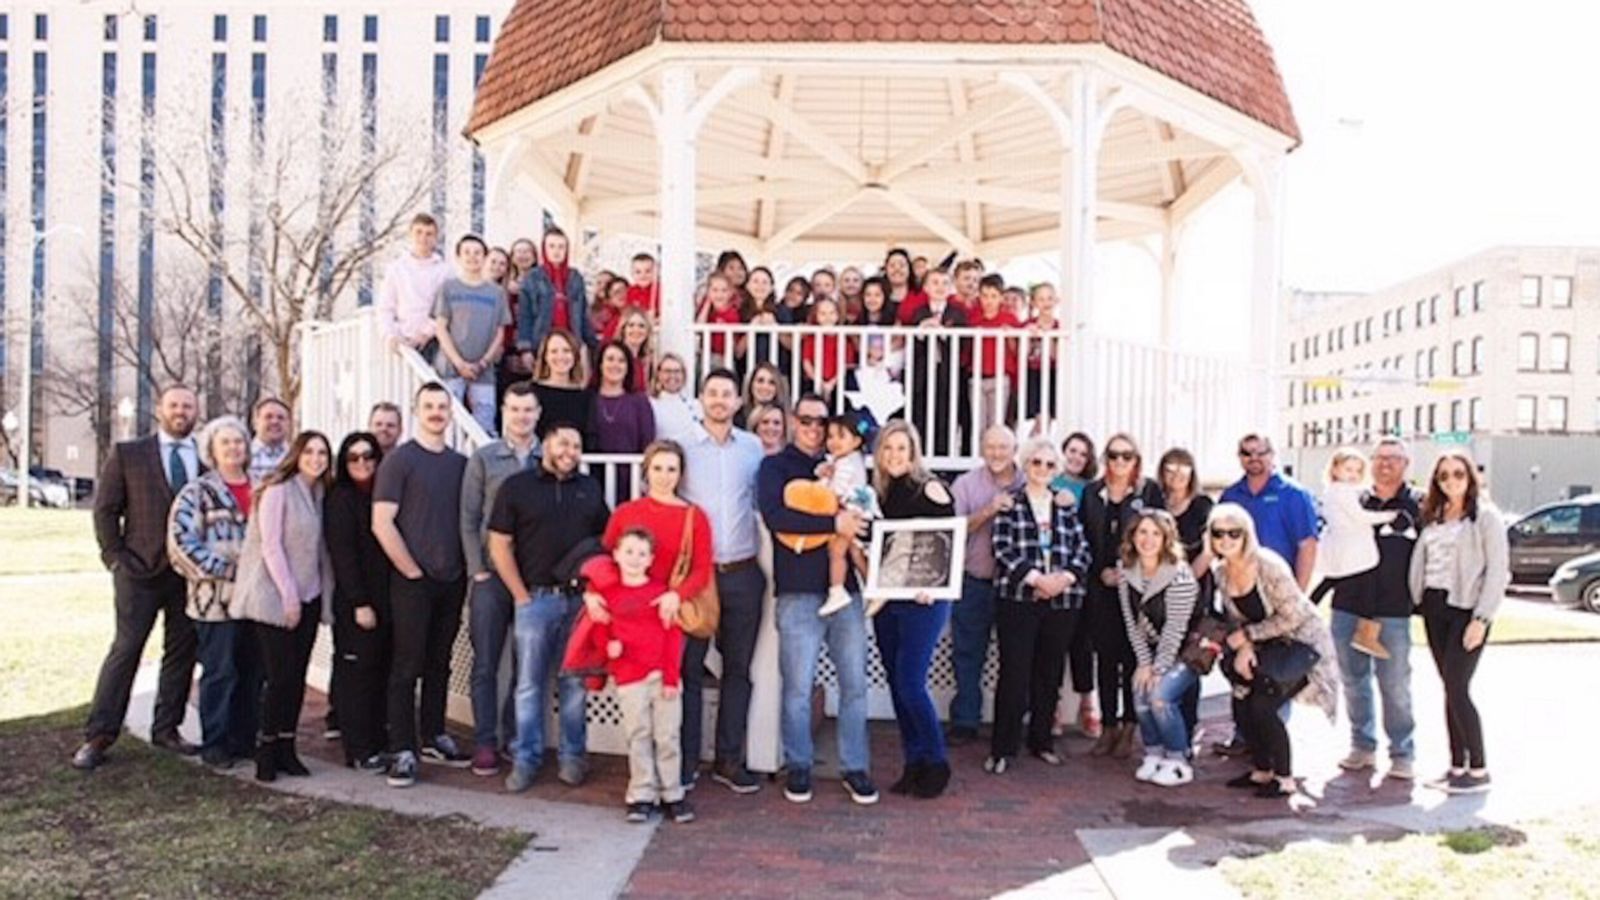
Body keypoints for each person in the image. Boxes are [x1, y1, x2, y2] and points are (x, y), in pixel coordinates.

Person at [758, 394, 879, 806]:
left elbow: (865, 517)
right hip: (797, 589)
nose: (814, 428)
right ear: (793, 421)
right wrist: (833, 522)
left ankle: (855, 766)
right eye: (806, 420)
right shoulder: (775, 467)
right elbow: (777, 518)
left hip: (845, 592)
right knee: (797, 686)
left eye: (822, 422)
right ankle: (799, 765)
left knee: (855, 684)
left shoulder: (849, 467)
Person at [75, 384, 202, 771]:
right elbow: (105, 509)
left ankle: (167, 728)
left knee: (181, 653)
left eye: (188, 406)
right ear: (160, 410)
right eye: (174, 405)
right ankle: (99, 733)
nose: (181, 411)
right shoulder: (129, 454)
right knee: (127, 649)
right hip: (138, 571)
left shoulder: (205, 456)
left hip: (188, 575)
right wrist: (114, 557)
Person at [490, 422, 611, 791]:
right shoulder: (517, 487)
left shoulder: (589, 489)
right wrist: (519, 594)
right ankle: (526, 758)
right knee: (529, 685)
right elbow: (499, 544)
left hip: (578, 602)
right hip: (535, 599)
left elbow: (604, 541)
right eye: (562, 443)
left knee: (573, 683)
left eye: (575, 445)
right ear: (546, 445)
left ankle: (573, 757)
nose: (569, 451)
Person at [592, 441, 714, 791]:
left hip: (672, 614)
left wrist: (677, 594)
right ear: (647, 470)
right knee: (638, 704)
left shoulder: (694, 516)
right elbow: (606, 559)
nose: (664, 476)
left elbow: (702, 568)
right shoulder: (627, 513)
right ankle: (642, 783)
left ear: (681, 474)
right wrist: (593, 592)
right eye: (658, 468)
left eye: (672, 469)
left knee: (678, 690)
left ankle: (680, 773)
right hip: (632, 618)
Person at [372, 382, 471, 788]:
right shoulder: (399, 462)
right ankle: (403, 749)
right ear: (417, 411)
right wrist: (410, 569)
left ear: (450, 413)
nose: (435, 412)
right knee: (406, 665)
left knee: (439, 662)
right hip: (413, 580)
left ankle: (433, 734)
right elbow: (382, 522)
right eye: (428, 406)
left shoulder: (460, 464)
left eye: (442, 406)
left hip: (452, 578)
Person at [1208, 502, 1339, 799]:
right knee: (1243, 704)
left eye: (1234, 532)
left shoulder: (1268, 564)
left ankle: (1284, 778)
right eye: (1218, 533)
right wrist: (1247, 646)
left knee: (1263, 707)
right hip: (1263, 646)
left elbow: (1292, 616)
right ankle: (1262, 769)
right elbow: (1237, 619)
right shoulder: (1221, 572)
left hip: (1300, 646)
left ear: (1247, 534)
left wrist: (1247, 637)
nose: (1226, 539)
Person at [680, 369, 769, 794]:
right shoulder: (682, 449)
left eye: (726, 394)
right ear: (701, 400)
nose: (719, 401)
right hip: (697, 576)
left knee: (738, 668)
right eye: (711, 393)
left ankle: (728, 759)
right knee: (689, 668)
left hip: (742, 571)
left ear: (738, 402)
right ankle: (687, 759)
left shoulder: (753, 449)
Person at [230, 431, 336, 782]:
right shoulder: (278, 490)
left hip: (308, 596)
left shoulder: (319, 493)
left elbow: (319, 551)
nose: (317, 458)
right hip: (274, 597)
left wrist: (320, 599)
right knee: (278, 677)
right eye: (310, 452)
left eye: (322, 453)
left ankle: (287, 748)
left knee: (296, 678)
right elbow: (271, 547)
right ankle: (266, 750)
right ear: (297, 454)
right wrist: (289, 596)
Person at [987, 437, 1092, 775]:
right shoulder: (1009, 503)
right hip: (1019, 598)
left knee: (1049, 674)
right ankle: (1003, 747)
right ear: (1026, 464)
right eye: (1037, 463)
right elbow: (1002, 548)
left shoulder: (1065, 505)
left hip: (1062, 601)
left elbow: (1082, 550)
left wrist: (1063, 579)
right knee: (1014, 673)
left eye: (1050, 465)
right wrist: (1037, 579)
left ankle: (1041, 741)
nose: (1043, 470)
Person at [1408, 449, 1507, 795]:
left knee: (1458, 686)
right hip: (1435, 607)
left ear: (1470, 477)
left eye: (1458, 474)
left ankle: (1479, 769)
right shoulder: (1433, 514)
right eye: (1444, 475)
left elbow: (1498, 571)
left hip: (1467, 610)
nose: (1451, 481)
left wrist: (1482, 618)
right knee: (1448, 687)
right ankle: (1456, 766)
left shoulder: (1485, 517)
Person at [577, 530, 693, 823]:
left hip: (661, 675)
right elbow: (602, 629)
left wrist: (670, 677)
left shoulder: (659, 593)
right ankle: (642, 792)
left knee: (667, 735)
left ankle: (672, 792)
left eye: (642, 554)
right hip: (630, 676)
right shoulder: (609, 595)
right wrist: (608, 646)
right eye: (629, 552)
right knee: (637, 734)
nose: (634, 559)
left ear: (651, 560)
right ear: (615, 554)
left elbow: (672, 637)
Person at [460, 383, 543, 777]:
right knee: (487, 660)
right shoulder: (484, 458)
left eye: (528, 410)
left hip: (533, 579)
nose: (521, 416)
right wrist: (477, 567)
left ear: (537, 414)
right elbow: (468, 517)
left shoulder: (550, 458)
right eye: (514, 409)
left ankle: (514, 735)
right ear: (503, 413)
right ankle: (484, 741)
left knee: (527, 663)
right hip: (492, 576)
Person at [873, 421, 960, 797]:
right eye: (888, 448)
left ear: (913, 453)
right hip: (889, 599)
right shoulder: (881, 491)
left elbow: (950, 540)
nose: (894, 455)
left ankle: (937, 761)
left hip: (924, 601)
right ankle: (914, 761)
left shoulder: (931, 488)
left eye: (901, 448)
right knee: (896, 683)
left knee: (911, 683)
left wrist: (933, 585)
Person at [166, 415, 258, 770]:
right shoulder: (197, 493)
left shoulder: (261, 489)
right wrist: (225, 569)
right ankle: (216, 742)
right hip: (215, 600)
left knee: (252, 670)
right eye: (226, 443)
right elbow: (181, 544)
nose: (234, 448)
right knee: (220, 672)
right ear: (212, 451)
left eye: (238, 442)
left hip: (254, 599)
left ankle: (243, 738)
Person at [1334, 437, 1422, 781]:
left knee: (1395, 684)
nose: (1386, 464)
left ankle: (1402, 752)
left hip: (1393, 610)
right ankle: (1362, 746)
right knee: (1354, 681)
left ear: (1406, 464)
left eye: (1394, 458)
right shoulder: (1354, 499)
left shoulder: (1418, 505)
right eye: (1380, 458)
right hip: (1348, 605)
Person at [1079, 433, 1165, 758]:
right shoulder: (1092, 493)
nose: (1119, 462)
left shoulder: (1149, 492)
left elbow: (1158, 537)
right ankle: (1108, 726)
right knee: (1105, 658)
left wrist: (1132, 573)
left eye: (1126, 456)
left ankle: (1131, 725)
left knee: (1133, 658)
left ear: (1136, 460)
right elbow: (1084, 539)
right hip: (1101, 589)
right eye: (1113, 455)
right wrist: (1099, 572)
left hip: (1138, 590)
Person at [946, 425, 1024, 743]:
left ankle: (1016, 723)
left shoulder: (1028, 479)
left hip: (1018, 585)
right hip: (974, 581)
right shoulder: (965, 484)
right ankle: (966, 721)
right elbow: (953, 529)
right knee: (967, 653)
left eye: (1003, 447)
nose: (996, 453)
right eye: (990, 446)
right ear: (981, 448)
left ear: (1014, 449)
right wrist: (988, 510)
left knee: (1017, 656)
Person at [324, 431, 393, 774]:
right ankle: (358, 749)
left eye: (369, 456)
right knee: (358, 676)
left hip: (387, 599)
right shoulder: (340, 498)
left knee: (381, 672)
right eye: (354, 458)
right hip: (357, 602)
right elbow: (343, 556)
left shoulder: (383, 495)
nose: (363, 463)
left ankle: (379, 741)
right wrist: (359, 601)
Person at [1117, 510, 1200, 787]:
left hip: (1185, 651)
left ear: (1166, 538)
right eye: (1142, 532)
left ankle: (1178, 759)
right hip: (1151, 649)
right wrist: (1143, 663)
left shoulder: (1180, 575)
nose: (1148, 539)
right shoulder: (1126, 571)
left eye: (1155, 533)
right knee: (1139, 692)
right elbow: (1131, 622)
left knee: (1160, 696)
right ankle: (1154, 753)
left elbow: (1175, 630)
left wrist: (1158, 668)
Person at [1156, 445, 1213, 739]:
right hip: (1156, 595)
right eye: (1170, 467)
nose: (1176, 474)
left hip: (1191, 594)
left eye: (1183, 466)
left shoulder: (1203, 505)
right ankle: (1165, 729)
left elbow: (1208, 551)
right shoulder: (1157, 503)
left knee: (1187, 662)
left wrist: (1183, 582)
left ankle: (1187, 730)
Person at [432, 234, 511, 436]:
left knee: (484, 425)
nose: (472, 257)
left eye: (477, 253)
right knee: (449, 424)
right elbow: (441, 328)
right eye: (467, 252)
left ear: (485, 257)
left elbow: (500, 332)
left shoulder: (496, 293)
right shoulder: (448, 288)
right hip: (450, 368)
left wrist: (484, 362)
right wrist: (459, 363)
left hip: (483, 371)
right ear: (458, 257)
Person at [1050, 430, 1100, 738]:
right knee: (1053, 644)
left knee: (1083, 643)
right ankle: (1052, 706)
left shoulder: (1093, 490)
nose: (1077, 458)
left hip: (1083, 573)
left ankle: (1088, 704)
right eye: (1072, 451)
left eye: (1083, 454)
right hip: (1051, 573)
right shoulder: (1049, 482)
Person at [1221, 434, 1319, 590]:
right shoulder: (1230, 496)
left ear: (1272, 454)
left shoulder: (1294, 494)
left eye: (1261, 453)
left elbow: (1307, 546)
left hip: (1281, 586)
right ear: (1239, 457)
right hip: (1238, 586)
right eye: (1247, 453)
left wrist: (1299, 594)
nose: (1254, 458)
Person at [815, 412, 879, 618]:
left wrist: (818, 487)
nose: (833, 442)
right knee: (855, 552)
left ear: (856, 441)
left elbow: (836, 490)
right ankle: (873, 586)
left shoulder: (847, 463)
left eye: (841, 436)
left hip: (853, 514)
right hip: (856, 511)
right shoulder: (846, 460)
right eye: (830, 436)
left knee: (837, 552)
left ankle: (837, 590)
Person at [903, 267, 968, 459]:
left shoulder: (957, 315)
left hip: (947, 375)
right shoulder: (918, 313)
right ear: (926, 287)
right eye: (935, 283)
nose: (940, 287)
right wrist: (922, 333)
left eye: (944, 283)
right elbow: (911, 345)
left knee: (946, 418)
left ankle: (943, 460)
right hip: (923, 375)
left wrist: (942, 333)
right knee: (920, 416)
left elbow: (964, 344)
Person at [591, 341, 657, 502]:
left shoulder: (639, 401)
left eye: (621, 361)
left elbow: (647, 442)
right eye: (610, 359)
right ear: (600, 364)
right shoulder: (587, 398)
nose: (615, 365)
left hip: (631, 480)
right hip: (592, 480)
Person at [378, 212, 452, 353]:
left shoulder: (445, 271)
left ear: (436, 238)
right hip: (402, 341)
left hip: (434, 341)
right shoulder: (396, 269)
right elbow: (385, 308)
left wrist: (425, 334)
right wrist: (390, 335)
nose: (423, 238)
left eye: (429, 234)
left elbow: (446, 309)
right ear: (410, 234)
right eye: (419, 232)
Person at [517, 227, 595, 359]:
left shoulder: (575, 277)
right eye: (551, 246)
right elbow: (525, 316)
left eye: (561, 247)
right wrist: (525, 349)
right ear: (544, 249)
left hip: (572, 343)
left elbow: (583, 315)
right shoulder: (532, 278)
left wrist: (592, 344)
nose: (556, 251)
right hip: (542, 344)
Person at [967, 274, 1021, 435]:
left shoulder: (1009, 319)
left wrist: (1010, 335)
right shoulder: (973, 318)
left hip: (1000, 377)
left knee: (996, 425)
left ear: (1001, 298)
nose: (989, 301)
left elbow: (1017, 351)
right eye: (984, 296)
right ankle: (978, 457)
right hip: (976, 377)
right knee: (978, 426)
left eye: (993, 296)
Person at [531, 329, 593, 440]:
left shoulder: (585, 396)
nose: (561, 356)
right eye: (554, 351)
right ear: (545, 356)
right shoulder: (532, 392)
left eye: (566, 350)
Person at [799, 298, 856, 404]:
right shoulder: (811, 338)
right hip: (814, 381)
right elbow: (807, 363)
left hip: (837, 381)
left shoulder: (843, 338)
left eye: (832, 313)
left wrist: (831, 383)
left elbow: (844, 365)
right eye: (823, 313)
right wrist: (819, 382)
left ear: (838, 315)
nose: (827, 317)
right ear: (816, 316)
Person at [649, 353, 703, 444]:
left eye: (677, 371)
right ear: (658, 374)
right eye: (667, 371)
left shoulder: (696, 405)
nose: (672, 376)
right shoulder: (650, 404)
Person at [696, 273, 744, 368]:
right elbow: (699, 326)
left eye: (724, 290)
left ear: (730, 293)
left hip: (724, 356)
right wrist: (707, 303)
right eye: (715, 290)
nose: (719, 294)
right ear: (708, 292)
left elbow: (734, 340)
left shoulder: (732, 313)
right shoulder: (706, 309)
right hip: (706, 354)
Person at [248, 397, 292, 485]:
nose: (275, 421)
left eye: (280, 418)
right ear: (255, 423)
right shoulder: (243, 457)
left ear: (289, 423)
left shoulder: (298, 457)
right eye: (268, 417)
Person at [736, 362, 789, 429]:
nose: (765, 387)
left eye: (771, 383)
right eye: (760, 381)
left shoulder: (785, 419)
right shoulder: (738, 416)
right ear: (751, 384)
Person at [617, 307, 655, 390]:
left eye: (641, 326)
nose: (636, 330)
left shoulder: (644, 363)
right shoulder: (616, 359)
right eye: (631, 325)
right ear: (623, 330)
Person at [626, 252, 660, 318]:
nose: (643, 275)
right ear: (632, 273)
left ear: (655, 272)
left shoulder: (659, 290)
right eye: (638, 272)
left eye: (648, 271)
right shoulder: (630, 291)